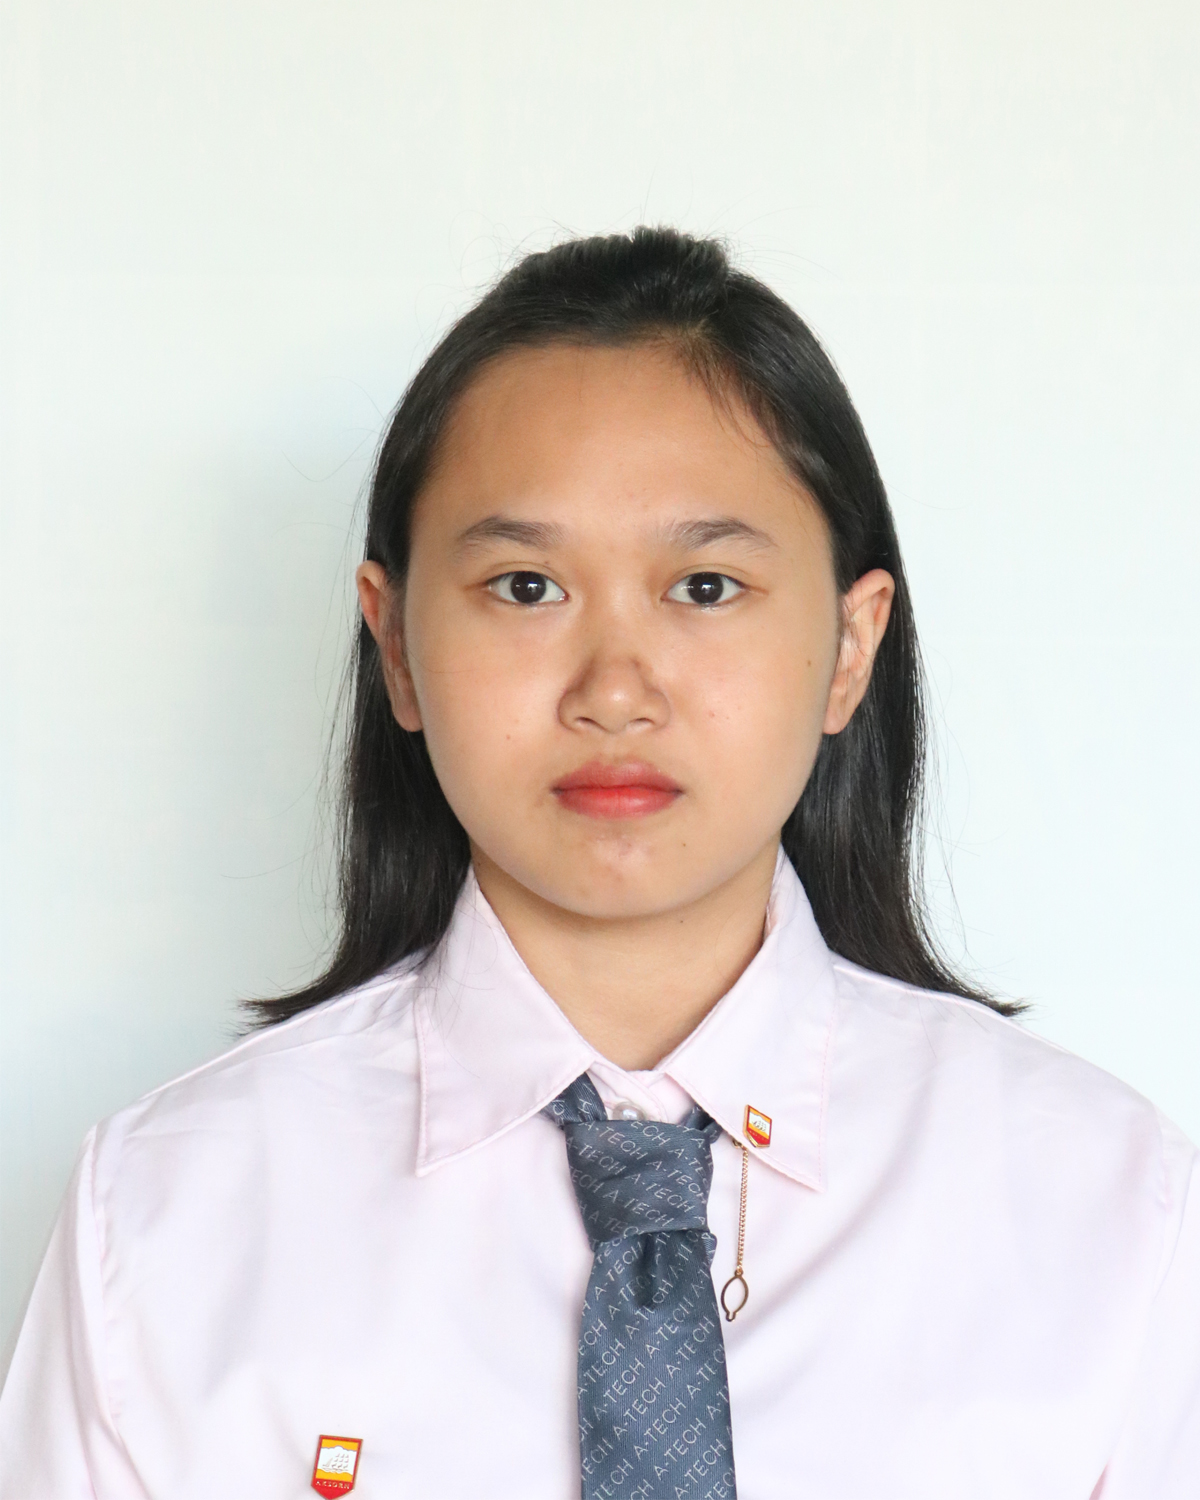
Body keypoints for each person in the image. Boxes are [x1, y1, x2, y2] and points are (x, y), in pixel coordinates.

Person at [1, 227, 1196, 1499]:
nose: (615, 692)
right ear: (396, 647)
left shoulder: (1104, 1205)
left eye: (705, 587)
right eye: (526, 587)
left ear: (851, 648)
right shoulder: (165, 1216)